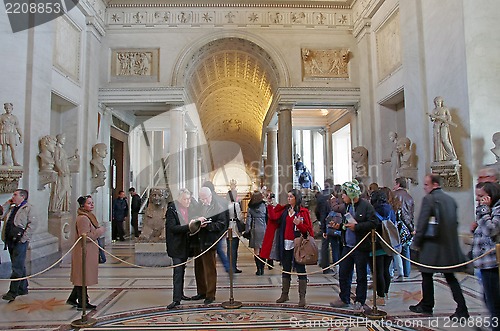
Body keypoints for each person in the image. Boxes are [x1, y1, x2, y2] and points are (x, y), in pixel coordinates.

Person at [409, 174, 469, 319]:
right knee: (450, 277)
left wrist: (416, 242)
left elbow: (422, 224)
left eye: (426, 184)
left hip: (432, 247)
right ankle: (462, 308)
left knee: (427, 276)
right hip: (448, 247)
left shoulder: (429, 199)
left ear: (435, 184)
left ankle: (427, 305)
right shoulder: (450, 200)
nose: (424, 187)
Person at [330, 179, 378, 313]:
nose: (342, 198)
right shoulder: (347, 206)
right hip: (347, 245)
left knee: (361, 275)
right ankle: (344, 297)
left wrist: (357, 227)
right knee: (344, 273)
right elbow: (346, 223)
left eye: (344, 195)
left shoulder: (366, 206)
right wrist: (339, 226)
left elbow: (374, 223)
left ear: (350, 194)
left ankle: (360, 301)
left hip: (360, 246)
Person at [267, 189, 313, 308]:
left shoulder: (303, 212)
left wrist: (299, 223)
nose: (289, 199)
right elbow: (273, 217)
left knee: (300, 269)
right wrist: (270, 204)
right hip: (286, 243)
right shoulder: (285, 211)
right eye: (288, 196)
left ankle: (302, 297)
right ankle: (284, 294)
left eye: (291, 197)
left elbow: (307, 230)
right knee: (286, 268)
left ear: (296, 198)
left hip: (298, 244)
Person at [67, 195, 105, 310]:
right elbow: (85, 237)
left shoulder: (88, 216)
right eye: (89, 203)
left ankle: (73, 298)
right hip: (84, 251)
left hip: (89, 251)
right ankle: (83, 302)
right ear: (83, 205)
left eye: (92, 202)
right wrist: (99, 231)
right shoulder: (83, 218)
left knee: (82, 276)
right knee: (83, 276)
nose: (92, 205)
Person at [190, 186, 227, 305]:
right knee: (199, 268)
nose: (203, 201)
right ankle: (201, 291)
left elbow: (222, 225)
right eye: (201, 199)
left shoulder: (218, 207)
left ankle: (210, 294)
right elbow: (193, 216)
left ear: (210, 196)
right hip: (198, 241)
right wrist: (196, 220)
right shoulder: (200, 205)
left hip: (210, 242)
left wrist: (209, 226)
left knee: (210, 269)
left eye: (205, 198)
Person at [472, 182, 500, 330]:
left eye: (481, 196)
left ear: (490, 195)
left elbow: (491, 230)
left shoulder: (497, 209)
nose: (478, 199)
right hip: (485, 262)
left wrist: (483, 211)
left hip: (492, 262)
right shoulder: (489, 210)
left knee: (494, 302)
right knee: (488, 299)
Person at [1, 189, 35, 302]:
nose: (13, 196)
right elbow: (1, 215)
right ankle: (23, 288)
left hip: (20, 240)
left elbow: (32, 224)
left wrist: (24, 239)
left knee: (17, 266)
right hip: (10, 240)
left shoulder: (28, 208)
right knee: (19, 264)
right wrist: (8, 203)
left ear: (22, 197)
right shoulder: (11, 208)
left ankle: (13, 292)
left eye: (15, 195)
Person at [165, 189, 195, 309]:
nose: (187, 201)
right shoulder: (172, 210)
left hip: (185, 244)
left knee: (182, 270)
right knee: (178, 272)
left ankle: (180, 294)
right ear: (179, 199)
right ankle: (176, 299)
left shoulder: (189, 208)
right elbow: (172, 228)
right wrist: (189, 227)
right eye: (185, 199)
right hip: (176, 245)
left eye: (188, 199)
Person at [369, 189, 396, 306]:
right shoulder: (390, 210)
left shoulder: (373, 211)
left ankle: (380, 296)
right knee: (386, 270)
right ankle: (385, 293)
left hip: (377, 244)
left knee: (377, 271)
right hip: (389, 242)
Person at [202, 181, 229, 273]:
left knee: (217, 249)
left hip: (212, 230)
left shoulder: (215, 201)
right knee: (218, 249)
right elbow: (227, 217)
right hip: (220, 229)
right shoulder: (223, 200)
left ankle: (227, 266)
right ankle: (227, 266)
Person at [49, 133, 78, 213]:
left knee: (67, 190)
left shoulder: (62, 150)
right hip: (62, 173)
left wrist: (73, 158)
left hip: (66, 172)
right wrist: (60, 170)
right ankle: (56, 206)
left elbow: (65, 161)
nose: (64, 140)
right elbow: (56, 161)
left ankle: (63, 207)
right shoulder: (57, 149)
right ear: (59, 139)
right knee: (62, 188)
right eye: (63, 138)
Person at [392, 177, 414, 279]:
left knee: (395, 249)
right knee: (406, 249)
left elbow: (402, 214)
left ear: (398, 184)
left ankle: (395, 270)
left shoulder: (394, 195)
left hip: (398, 225)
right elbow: (410, 214)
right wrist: (411, 227)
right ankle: (407, 271)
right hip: (408, 226)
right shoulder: (409, 197)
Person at [428, 96, 458, 162]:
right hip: (436, 126)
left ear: (442, 102)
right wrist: (433, 118)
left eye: (439, 101)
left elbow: (449, 117)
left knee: (444, 139)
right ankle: (440, 157)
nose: (438, 103)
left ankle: (451, 154)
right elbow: (432, 119)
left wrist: (446, 122)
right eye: (436, 102)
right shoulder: (434, 110)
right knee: (438, 141)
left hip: (444, 125)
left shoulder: (445, 109)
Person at [316, 179, 335, 274]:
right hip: (330, 225)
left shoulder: (321, 196)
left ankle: (324, 264)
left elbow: (317, 211)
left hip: (325, 223)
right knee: (331, 246)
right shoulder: (328, 197)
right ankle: (327, 267)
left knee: (325, 246)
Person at [246, 191, 267, 275]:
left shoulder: (250, 208)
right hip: (264, 228)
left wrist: (247, 231)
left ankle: (258, 269)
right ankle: (262, 268)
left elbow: (248, 220)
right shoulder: (264, 206)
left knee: (256, 250)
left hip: (255, 229)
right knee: (263, 250)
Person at [226, 187, 243, 274]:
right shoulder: (235, 204)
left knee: (229, 249)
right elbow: (239, 216)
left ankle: (229, 266)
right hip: (234, 227)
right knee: (234, 249)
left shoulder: (225, 204)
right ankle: (233, 266)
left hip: (227, 228)